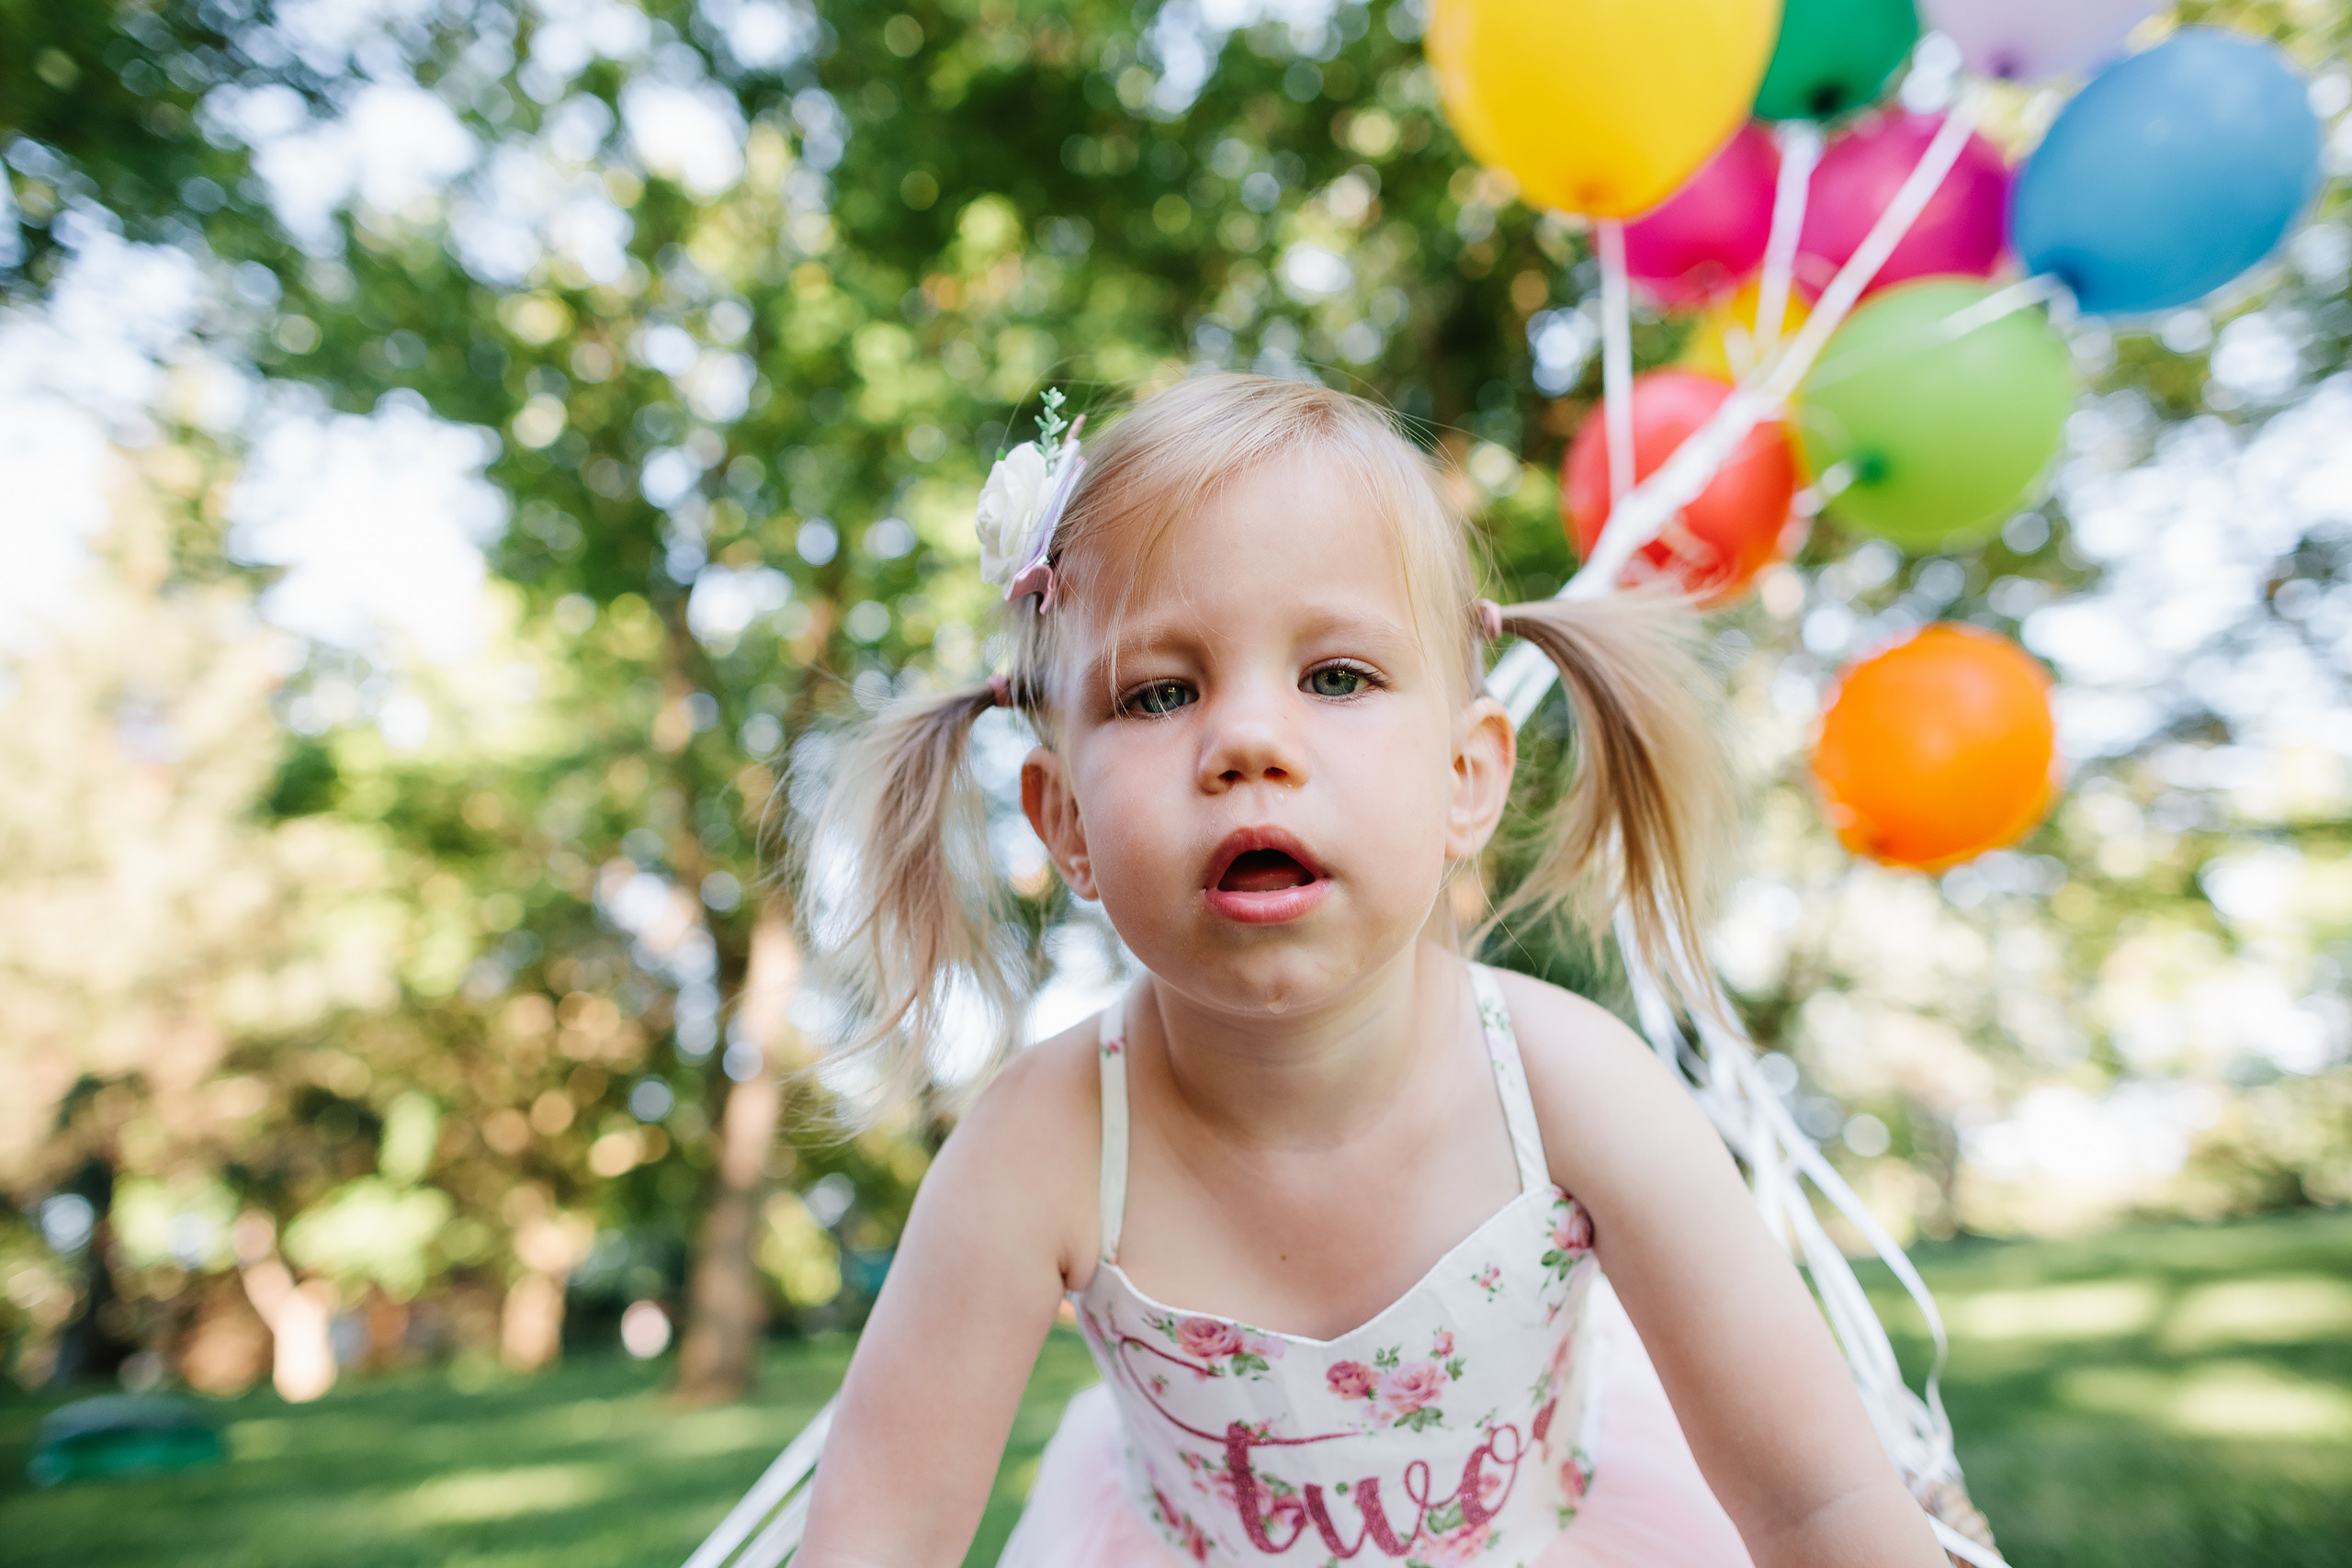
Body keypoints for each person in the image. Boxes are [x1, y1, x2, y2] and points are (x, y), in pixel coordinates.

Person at [793, 373, 1951, 1568]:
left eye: (1336, 677)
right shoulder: (1040, 1144)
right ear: (1065, 820)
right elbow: (877, 1537)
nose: (1247, 741)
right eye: (1159, 692)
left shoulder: (1570, 1087)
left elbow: (1821, 1508)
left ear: (1468, 778)